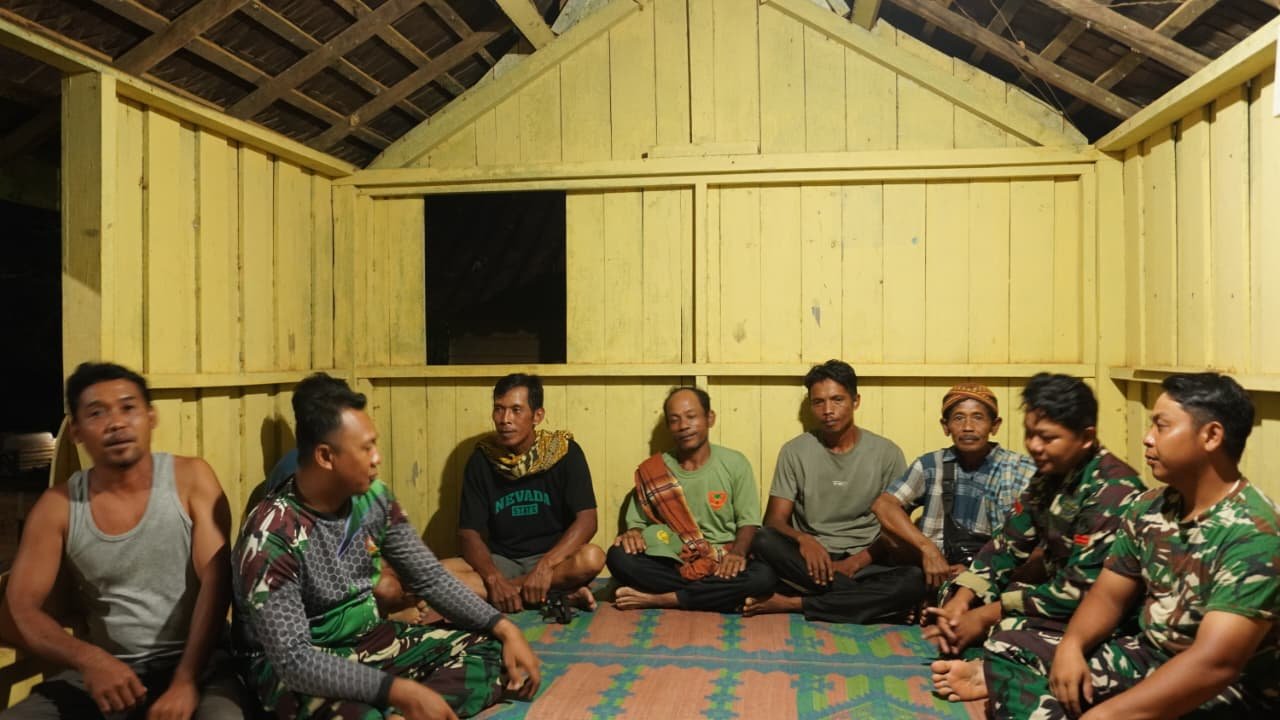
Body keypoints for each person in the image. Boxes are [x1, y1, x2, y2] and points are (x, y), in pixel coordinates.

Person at [950, 373, 1279, 719]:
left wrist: (1105, 715)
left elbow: (1215, 664)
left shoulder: (1255, 534)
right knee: (1010, 646)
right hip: (1149, 656)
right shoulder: (1151, 507)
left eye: (1161, 427)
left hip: (1224, 689)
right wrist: (1072, 646)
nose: (1147, 438)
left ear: (1211, 436)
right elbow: (1108, 596)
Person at [232, 373, 540, 719]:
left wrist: (502, 626)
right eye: (365, 448)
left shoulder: (373, 499)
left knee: (495, 652)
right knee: (359, 714)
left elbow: (429, 578)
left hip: (369, 641)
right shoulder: (271, 533)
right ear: (326, 456)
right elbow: (293, 660)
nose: (377, 458)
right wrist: (396, 690)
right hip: (297, 667)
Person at [1, 362, 243, 719]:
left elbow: (217, 579)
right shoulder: (58, 507)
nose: (116, 423)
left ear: (151, 417)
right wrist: (90, 660)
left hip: (202, 665)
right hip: (110, 671)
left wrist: (186, 679)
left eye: (128, 408)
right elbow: (21, 607)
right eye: (96, 413)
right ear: (76, 431)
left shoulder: (191, 479)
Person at [928, 374, 1144, 704]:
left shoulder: (1113, 491)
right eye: (1030, 434)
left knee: (1006, 634)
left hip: (1094, 616)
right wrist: (963, 600)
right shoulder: (1050, 474)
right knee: (954, 593)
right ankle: (994, 656)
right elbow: (1007, 544)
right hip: (1052, 595)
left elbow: (1079, 591)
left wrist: (986, 615)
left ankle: (996, 669)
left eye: (1047, 437)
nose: (1035, 446)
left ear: (1086, 438)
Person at [746, 360, 925, 622]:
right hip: (810, 563)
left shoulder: (886, 453)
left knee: (914, 579)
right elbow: (773, 520)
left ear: (856, 401)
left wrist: (857, 562)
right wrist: (804, 540)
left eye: (837, 400)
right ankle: (874, 605)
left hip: (867, 560)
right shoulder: (795, 451)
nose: (828, 410)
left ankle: (796, 603)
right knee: (763, 540)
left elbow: (896, 526)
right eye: (818, 402)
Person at [441, 374, 604, 613]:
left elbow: (588, 521)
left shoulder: (564, 452)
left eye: (516, 410)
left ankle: (514, 593)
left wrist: (546, 566)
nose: (505, 419)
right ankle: (556, 594)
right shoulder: (482, 459)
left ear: (537, 416)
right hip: (502, 561)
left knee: (592, 557)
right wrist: (494, 578)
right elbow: (468, 533)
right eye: (499, 409)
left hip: (553, 560)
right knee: (437, 574)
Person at [605, 387, 776, 612]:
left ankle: (664, 599)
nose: (683, 426)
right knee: (618, 557)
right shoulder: (654, 471)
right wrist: (634, 533)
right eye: (674, 420)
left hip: (722, 560)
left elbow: (749, 522)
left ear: (710, 418)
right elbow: (637, 524)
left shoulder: (735, 463)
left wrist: (737, 554)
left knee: (764, 577)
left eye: (691, 416)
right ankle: (717, 597)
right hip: (675, 561)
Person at [871, 384, 1037, 590]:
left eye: (978, 417)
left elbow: (1034, 540)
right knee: (891, 538)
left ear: (994, 425)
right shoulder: (932, 465)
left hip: (996, 572)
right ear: (945, 426)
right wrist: (928, 550)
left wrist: (978, 571)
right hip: (937, 570)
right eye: (958, 418)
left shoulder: (1021, 469)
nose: (968, 427)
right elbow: (883, 505)